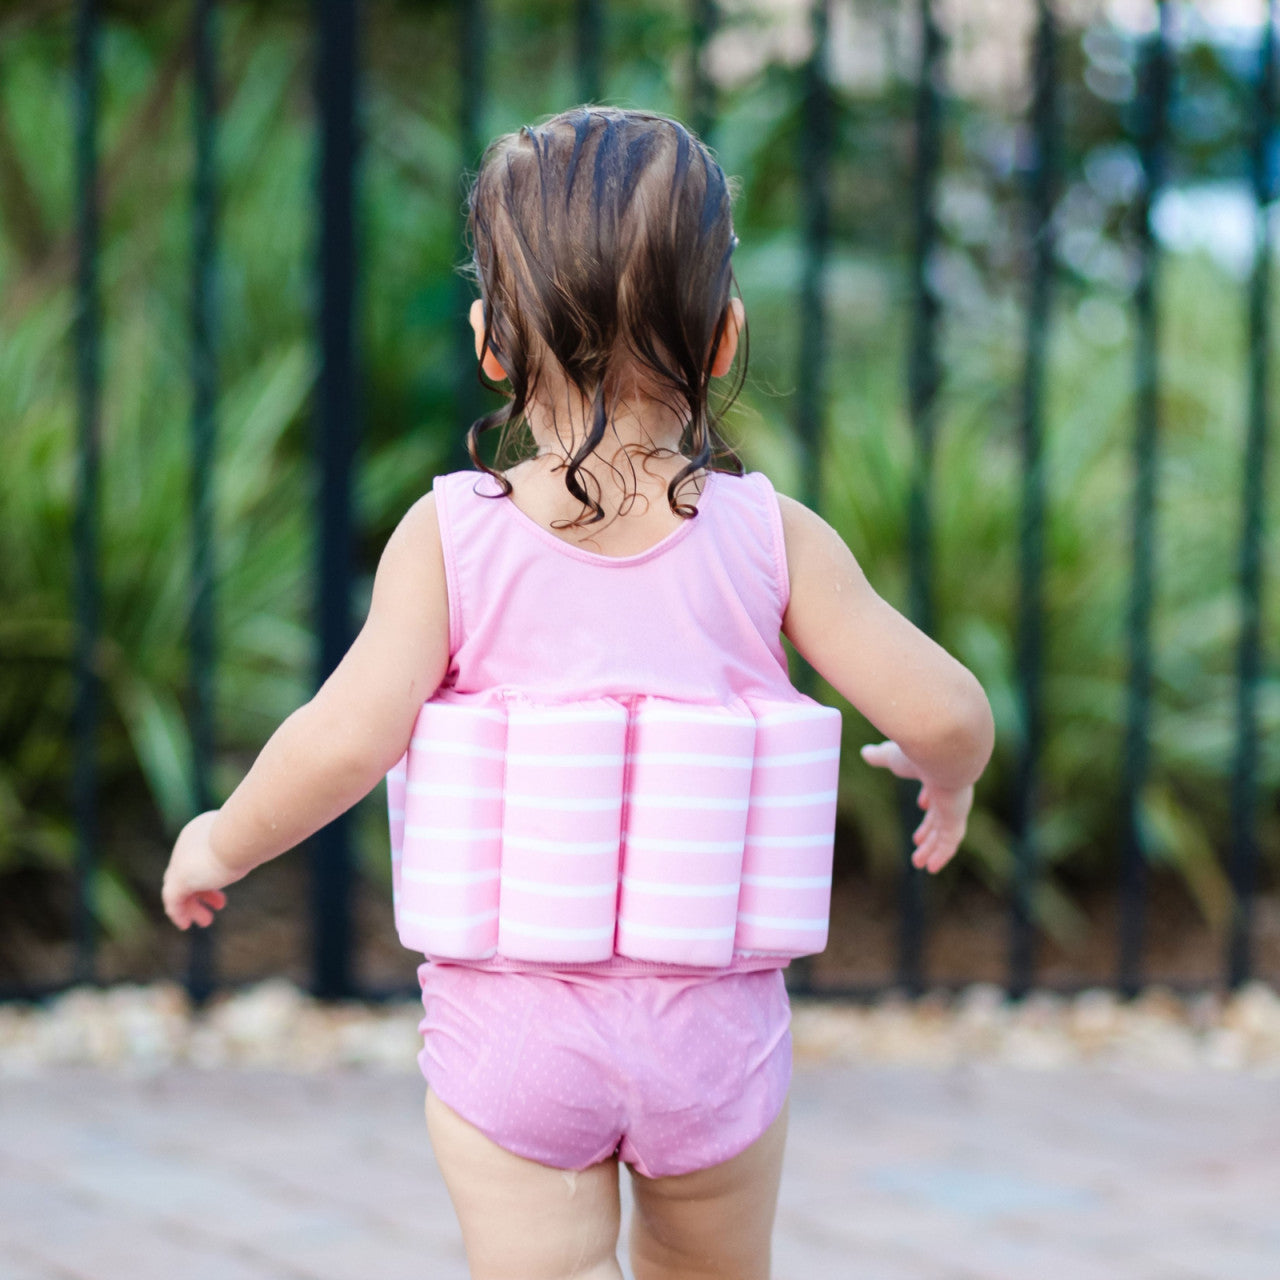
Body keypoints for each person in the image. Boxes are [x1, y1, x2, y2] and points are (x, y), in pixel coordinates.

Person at [162, 106, 994, 1280]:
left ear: (490, 344)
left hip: (516, 1045)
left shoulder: (450, 538)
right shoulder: (774, 539)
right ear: (722, 339)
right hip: (708, 1048)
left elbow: (343, 740)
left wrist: (218, 841)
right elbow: (948, 708)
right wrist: (941, 775)